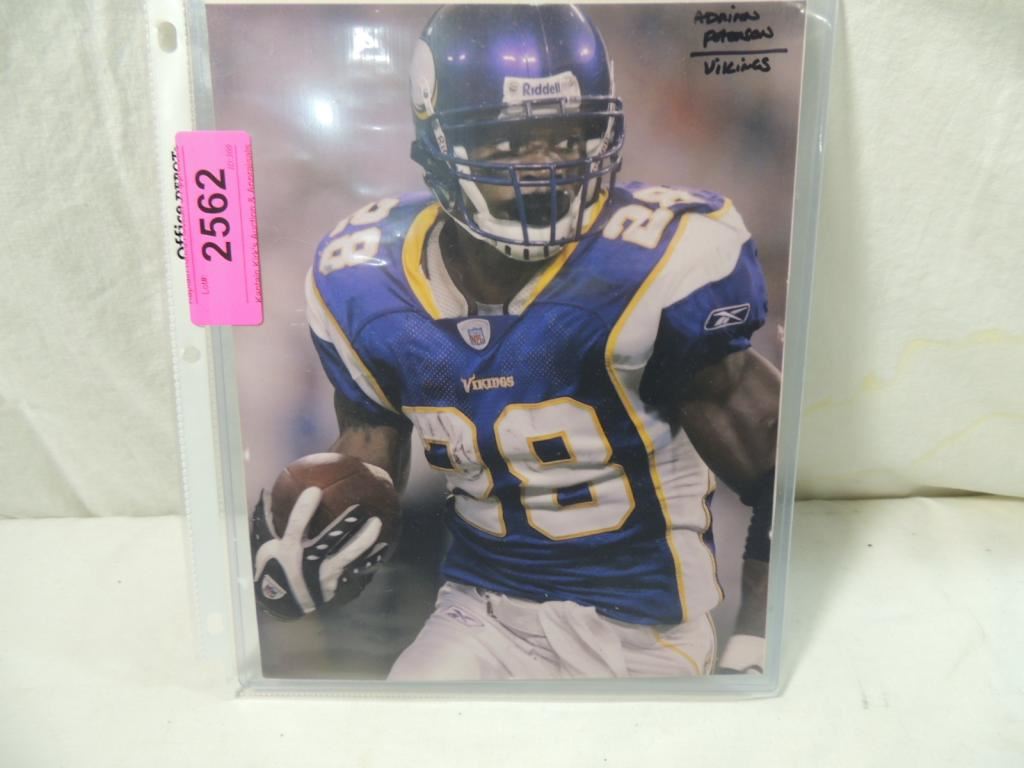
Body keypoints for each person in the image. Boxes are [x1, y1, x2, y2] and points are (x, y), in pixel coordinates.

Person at [253, 4, 779, 680]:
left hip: (645, 633)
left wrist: (757, 638)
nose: (543, 167)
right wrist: (319, 526)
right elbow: (369, 455)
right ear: (437, 141)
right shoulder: (365, 278)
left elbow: (778, 470)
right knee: (407, 722)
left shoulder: (656, 263)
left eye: (566, 136)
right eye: (508, 142)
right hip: (480, 616)